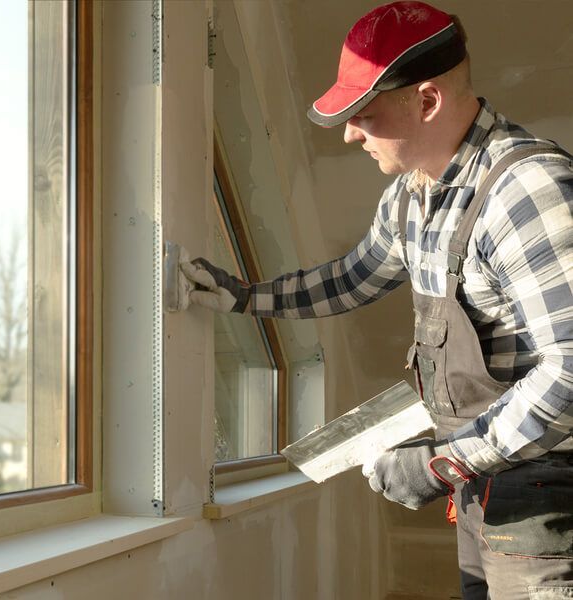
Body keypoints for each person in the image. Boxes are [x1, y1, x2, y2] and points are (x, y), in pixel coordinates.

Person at [181, 2, 572, 599]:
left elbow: (570, 370)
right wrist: (241, 299)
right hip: (484, 486)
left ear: (427, 100)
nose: (350, 134)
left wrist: (447, 462)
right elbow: (349, 279)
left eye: (363, 113)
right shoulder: (411, 198)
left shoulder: (527, 190)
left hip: (548, 492)